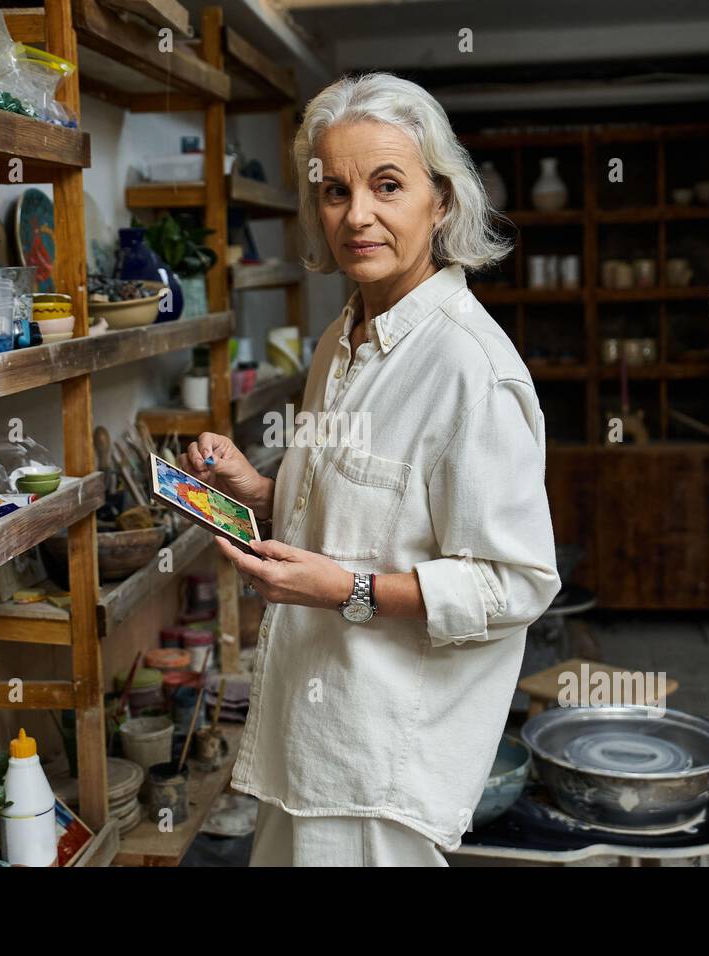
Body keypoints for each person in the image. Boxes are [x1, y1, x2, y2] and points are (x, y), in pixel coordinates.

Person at [178, 72, 561, 866]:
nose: (358, 215)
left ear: (442, 201)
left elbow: (518, 583)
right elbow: (356, 510)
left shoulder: (469, 369)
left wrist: (346, 589)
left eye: (388, 185)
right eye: (334, 190)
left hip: (380, 761)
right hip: (306, 733)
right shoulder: (342, 338)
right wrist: (258, 490)